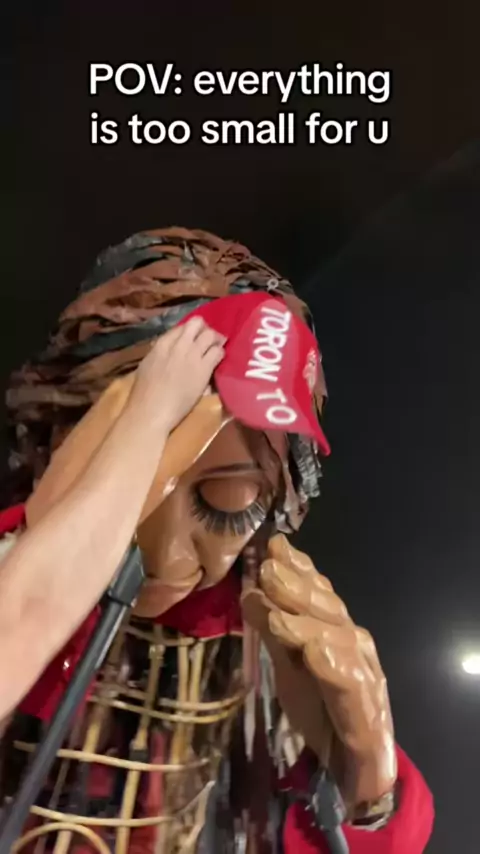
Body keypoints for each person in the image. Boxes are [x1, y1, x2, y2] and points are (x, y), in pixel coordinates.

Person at [0, 227, 434, 853]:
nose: (167, 555)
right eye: (134, 483)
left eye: (228, 505)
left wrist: (367, 786)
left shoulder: (256, 650)